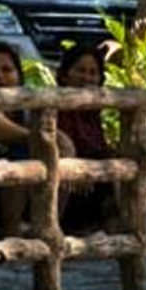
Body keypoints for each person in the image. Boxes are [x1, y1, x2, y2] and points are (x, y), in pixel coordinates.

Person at [0, 41, 75, 235]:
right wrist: (37, 139)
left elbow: (51, 134)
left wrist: (63, 144)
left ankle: (50, 225)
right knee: (23, 154)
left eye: (7, 70)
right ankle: (12, 230)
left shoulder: (26, 109)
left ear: (18, 75)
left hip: (22, 197)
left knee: (52, 157)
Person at [54, 42, 119, 233]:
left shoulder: (92, 111)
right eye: (80, 70)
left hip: (90, 182)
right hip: (66, 186)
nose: (87, 78)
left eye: (93, 72)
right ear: (65, 75)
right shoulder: (55, 106)